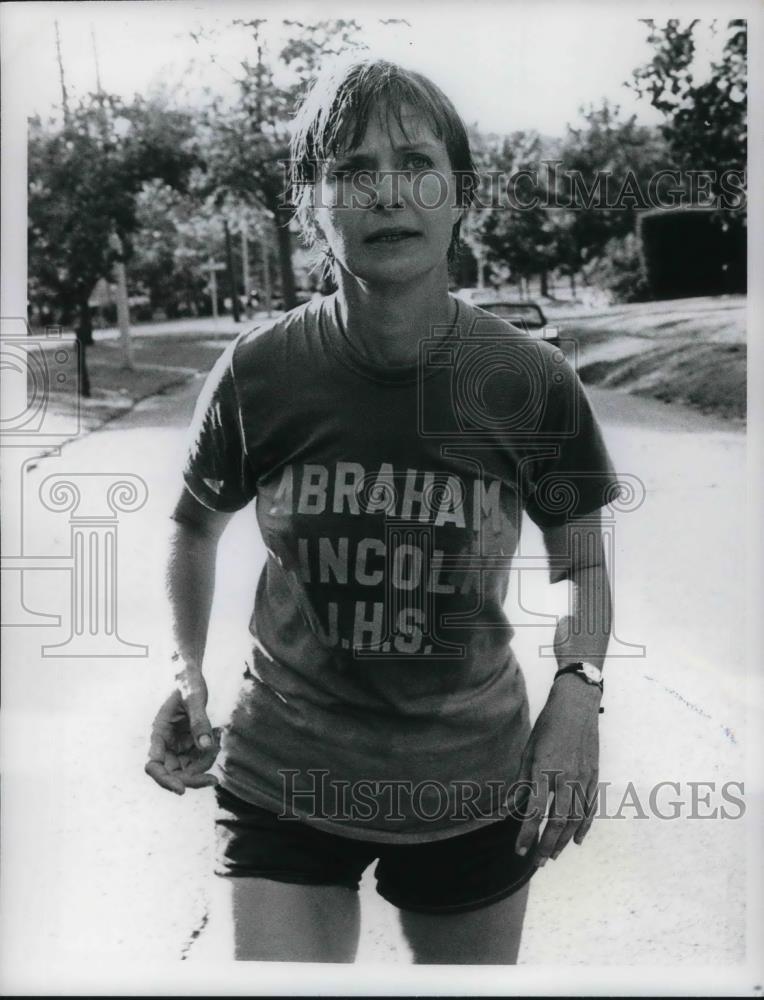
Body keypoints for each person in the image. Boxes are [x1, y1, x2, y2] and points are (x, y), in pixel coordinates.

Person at [145, 57, 618, 965]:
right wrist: (186, 670)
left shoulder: (526, 380)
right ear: (310, 203)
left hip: (466, 780)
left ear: (460, 193)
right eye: (353, 169)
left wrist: (578, 688)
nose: (388, 191)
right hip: (284, 772)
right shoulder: (261, 370)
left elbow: (580, 565)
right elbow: (192, 526)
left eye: (414, 160)